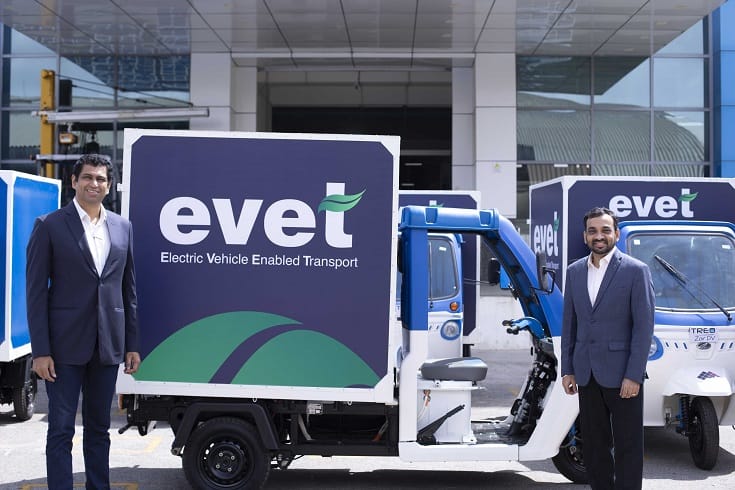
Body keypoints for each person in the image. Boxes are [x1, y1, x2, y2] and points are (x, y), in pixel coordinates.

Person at [26, 154, 140, 490]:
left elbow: (129, 290)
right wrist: (41, 351)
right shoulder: (49, 225)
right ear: (74, 181)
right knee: (61, 429)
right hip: (62, 348)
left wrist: (132, 344)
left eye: (101, 179)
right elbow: (35, 294)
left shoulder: (122, 227)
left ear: (109, 185)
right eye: (88, 177)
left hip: (107, 346)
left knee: (99, 429)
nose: (94, 184)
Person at [561, 206, 655, 490]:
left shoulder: (636, 271)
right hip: (586, 373)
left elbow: (643, 328)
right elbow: (570, 323)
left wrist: (634, 375)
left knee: (628, 446)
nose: (598, 236)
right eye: (592, 231)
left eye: (605, 230)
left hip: (623, 375)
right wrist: (568, 369)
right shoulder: (574, 271)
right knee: (594, 445)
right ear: (585, 236)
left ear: (616, 233)